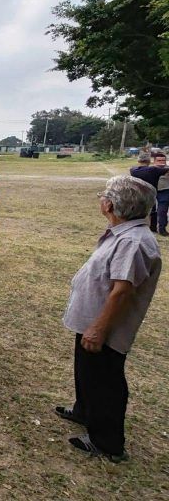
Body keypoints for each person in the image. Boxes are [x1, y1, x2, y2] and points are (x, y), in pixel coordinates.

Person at [56, 175, 161, 462]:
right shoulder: (122, 233)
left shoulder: (132, 242)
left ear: (111, 205)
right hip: (92, 320)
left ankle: (107, 441)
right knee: (87, 371)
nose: (101, 200)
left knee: (105, 379)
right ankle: (84, 411)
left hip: (104, 326)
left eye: (104, 196)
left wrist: (99, 329)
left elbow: (121, 291)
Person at [129, 152, 169, 232]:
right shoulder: (153, 170)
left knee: (143, 211)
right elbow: (164, 170)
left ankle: (146, 227)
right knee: (153, 211)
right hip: (151, 192)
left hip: (140, 193)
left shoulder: (133, 170)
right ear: (150, 161)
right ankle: (154, 228)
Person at [156, 154, 169, 236]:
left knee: (162, 211)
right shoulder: (151, 170)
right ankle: (161, 229)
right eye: (159, 160)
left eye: (163, 160)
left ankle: (162, 228)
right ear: (155, 161)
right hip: (158, 192)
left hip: (166, 191)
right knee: (161, 211)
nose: (161, 162)